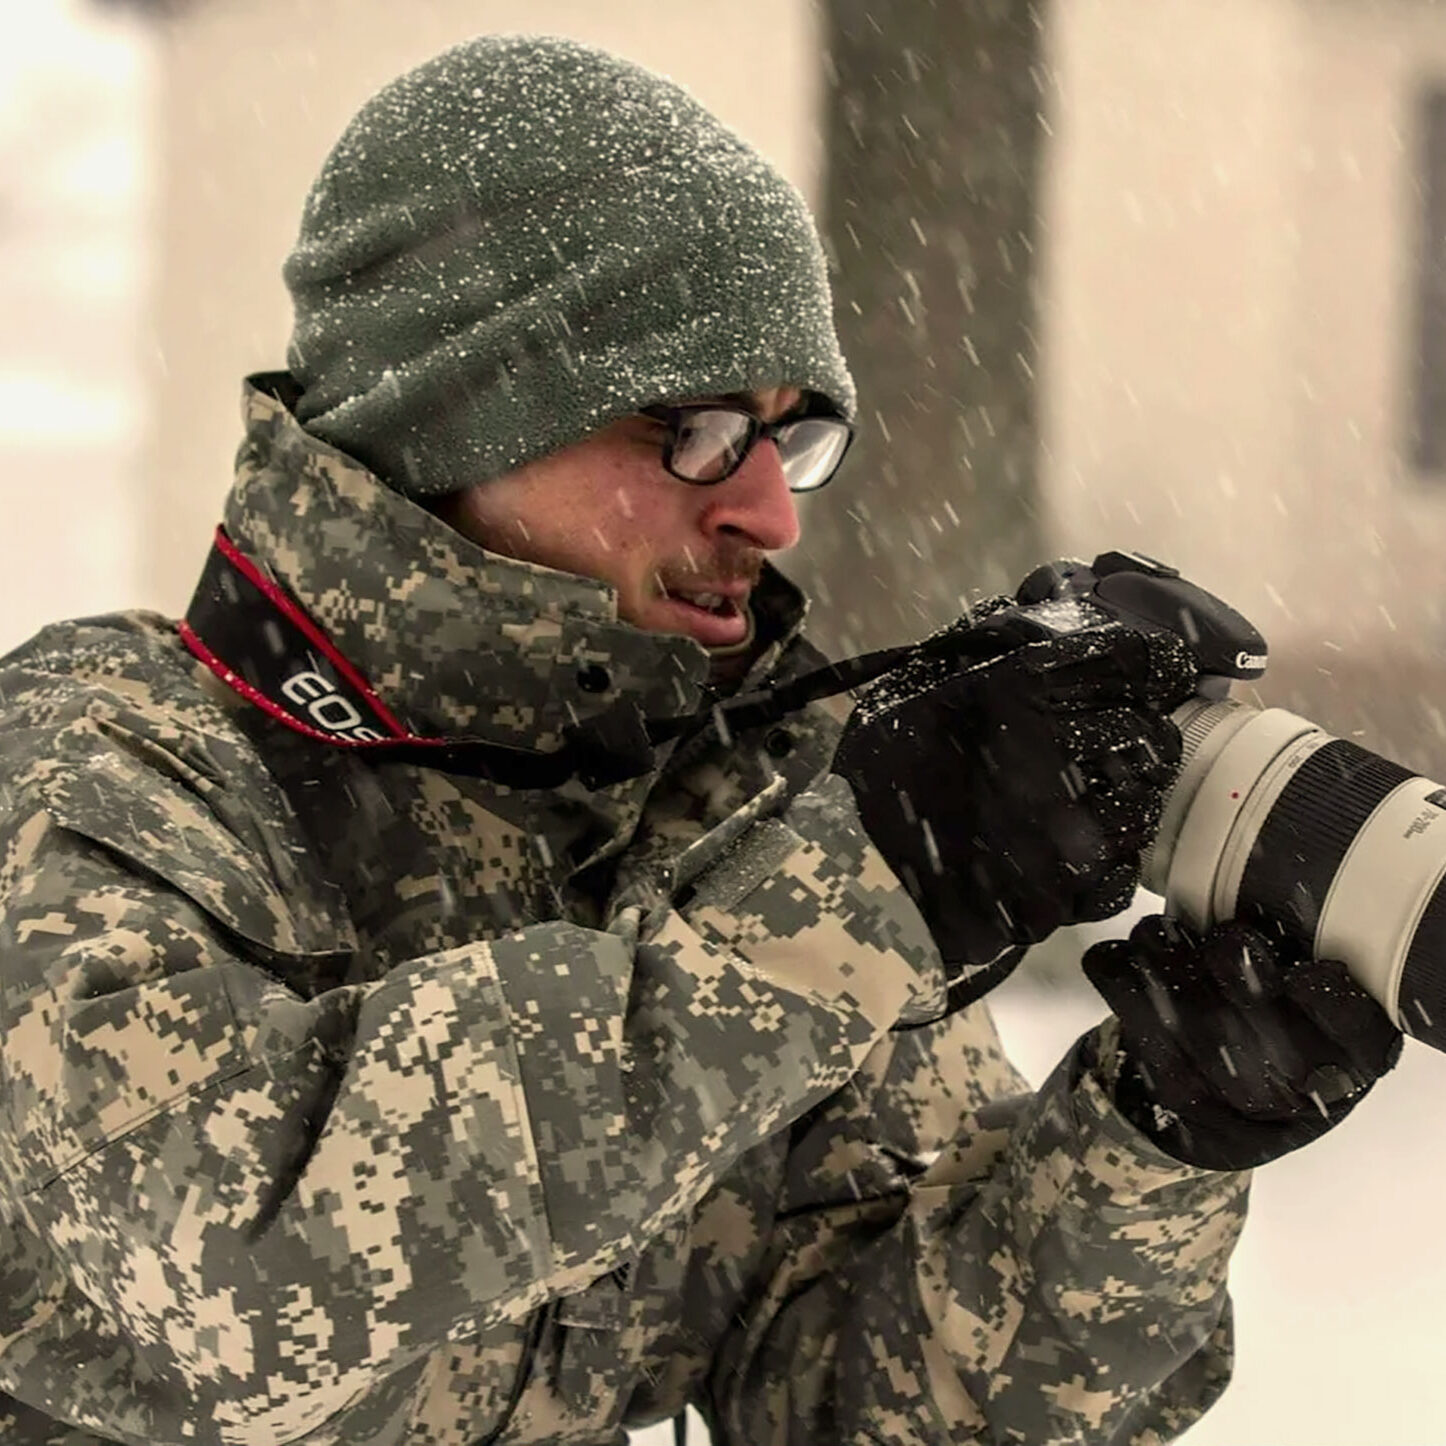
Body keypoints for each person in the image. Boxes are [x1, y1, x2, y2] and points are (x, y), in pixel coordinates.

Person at [0, 34, 1401, 1446]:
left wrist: (1150, 1145)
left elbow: (856, 1397)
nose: (770, 514)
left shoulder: (722, 805)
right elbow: (234, 1285)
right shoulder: (95, 765)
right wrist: (857, 896)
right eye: (698, 430)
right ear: (451, 419)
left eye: (789, 440)